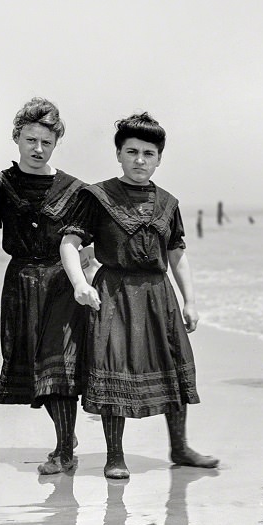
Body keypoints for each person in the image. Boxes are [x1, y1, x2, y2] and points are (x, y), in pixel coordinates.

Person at [59, 111, 218, 479]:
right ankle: (115, 456)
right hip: (113, 292)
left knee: (174, 366)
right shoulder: (97, 196)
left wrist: (191, 300)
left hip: (158, 295)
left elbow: (177, 254)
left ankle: (180, 448)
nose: (140, 160)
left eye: (148, 153)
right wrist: (80, 284)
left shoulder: (167, 203)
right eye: (132, 152)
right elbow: (70, 242)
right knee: (112, 367)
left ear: (159, 158)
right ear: (119, 154)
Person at [0, 97, 88, 474]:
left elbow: (95, 242)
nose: (38, 149)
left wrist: (86, 276)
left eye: (46, 142)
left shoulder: (74, 190)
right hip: (20, 283)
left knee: (60, 366)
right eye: (30, 140)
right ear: (17, 137)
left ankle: (65, 453)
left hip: (61, 284)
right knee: (36, 367)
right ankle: (64, 436)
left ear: (56, 144)